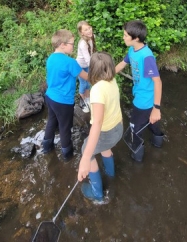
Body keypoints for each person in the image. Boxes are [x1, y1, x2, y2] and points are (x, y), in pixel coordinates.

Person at [115, 20, 164, 162]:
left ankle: (137, 158)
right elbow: (122, 65)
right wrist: (106, 75)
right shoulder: (132, 50)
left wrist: (156, 108)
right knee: (152, 122)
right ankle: (158, 142)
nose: (123, 37)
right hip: (140, 95)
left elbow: (158, 82)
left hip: (145, 100)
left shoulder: (146, 56)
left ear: (135, 38)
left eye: (125, 35)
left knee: (134, 130)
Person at [77, 51, 123, 202]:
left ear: (92, 70)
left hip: (107, 132)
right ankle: (111, 173)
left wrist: (85, 158)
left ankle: (97, 194)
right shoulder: (112, 80)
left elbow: (97, 123)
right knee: (104, 147)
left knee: (86, 150)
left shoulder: (97, 90)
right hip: (118, 128)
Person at [42, 29, 88, 161]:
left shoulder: (51, 58)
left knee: (51, 121)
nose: (73, 46)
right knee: (65, 127)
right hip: (63, 101)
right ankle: (67, 155)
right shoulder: (70, 62)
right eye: (72, 44)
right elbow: (86, 77)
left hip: (50, 97)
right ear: (62, 44)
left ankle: (46, 148)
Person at [76, 21, 97, 113]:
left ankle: (88, 98)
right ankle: (82, 100)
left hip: (88, 64)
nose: (89, 30)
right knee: (83, 83)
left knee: (88, 82)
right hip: (80, 66)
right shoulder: (83, 44)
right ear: (81, 33)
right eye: (86, 29)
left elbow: (92, 52)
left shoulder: (92, 37)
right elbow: (88, 59)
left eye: (89, 28)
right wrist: (96, 68)